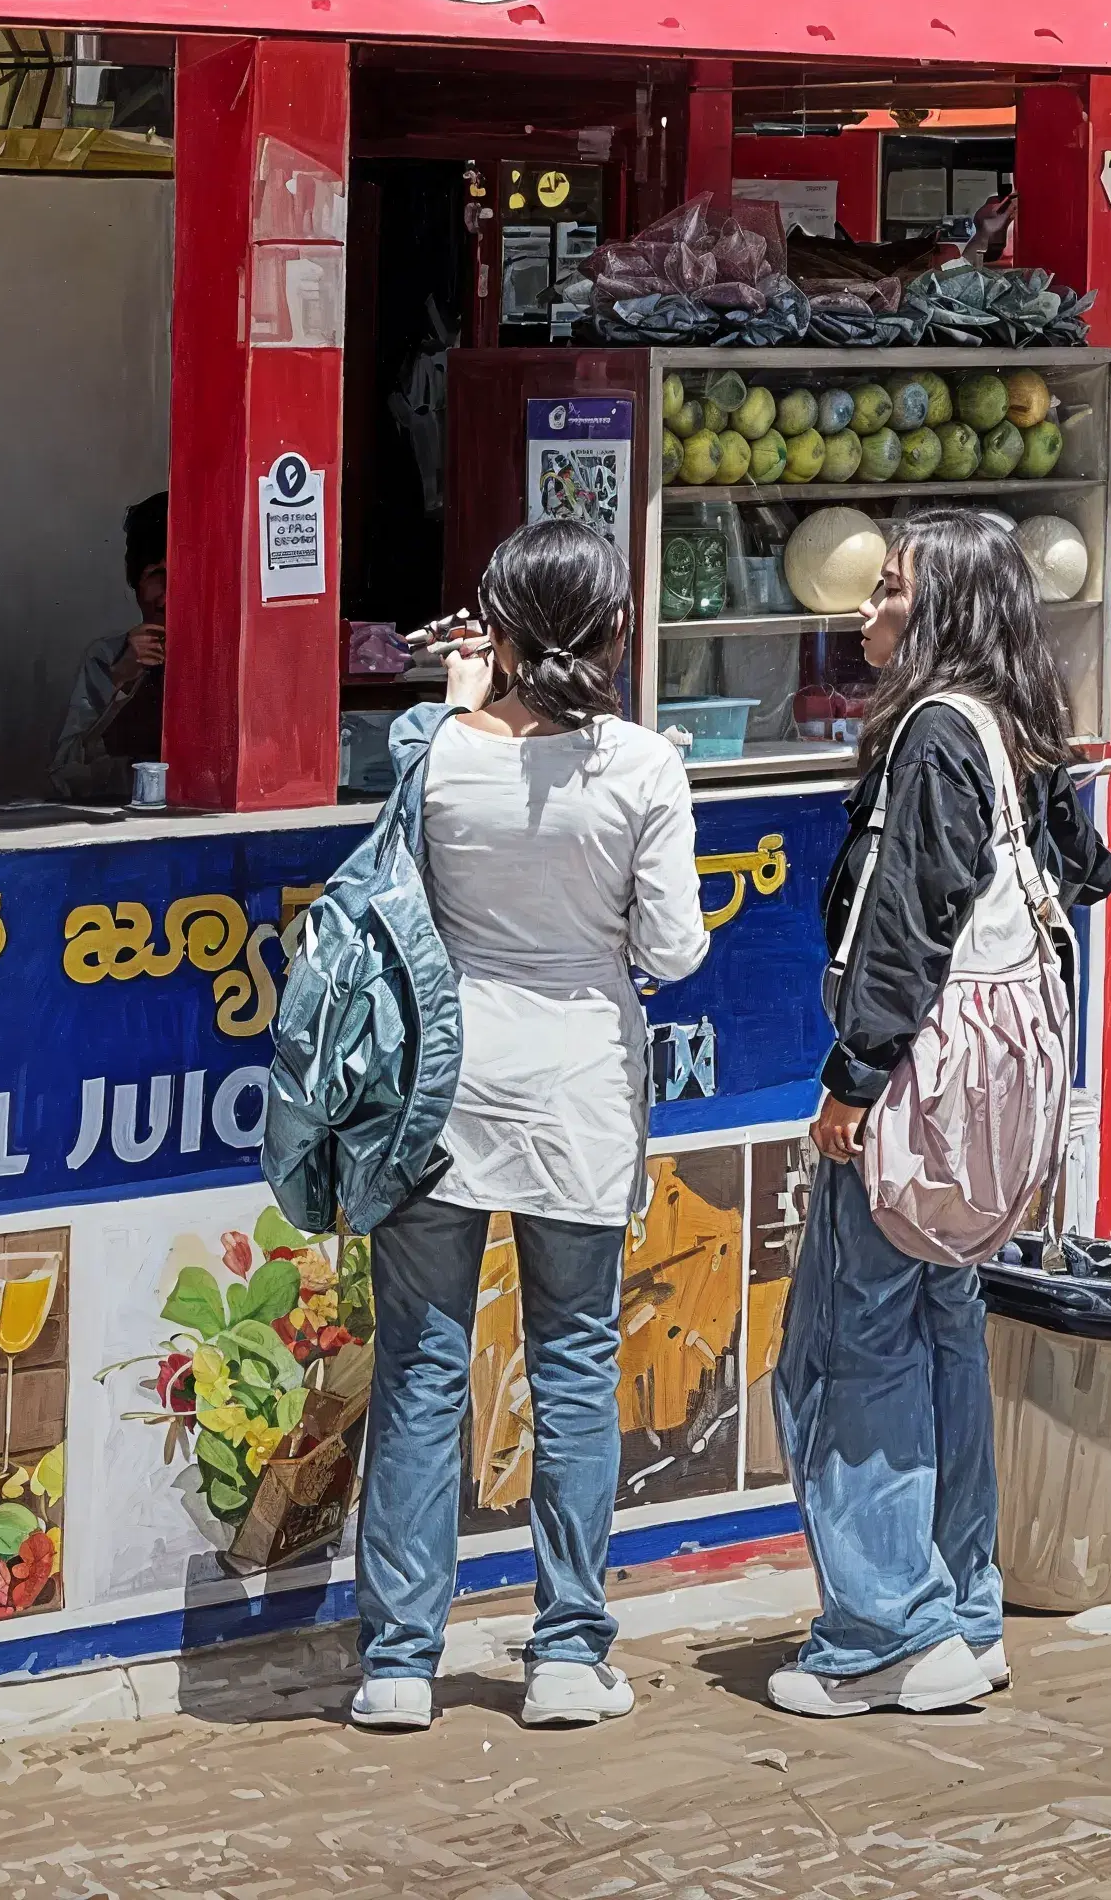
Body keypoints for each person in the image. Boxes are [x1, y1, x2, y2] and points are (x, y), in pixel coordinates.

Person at [344, 521, 707, 1732]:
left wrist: (456, 704)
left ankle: (399, 1664)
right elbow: (672, 950)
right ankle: (565, 1651)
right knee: (575, 1363)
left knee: (421, 1367)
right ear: (616, 630)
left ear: (493, 631)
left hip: (437, 1090)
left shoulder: (432, 753)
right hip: (578, 1092)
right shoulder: (642, 766)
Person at [770, 508, 1111, 1717]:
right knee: (944, 1326)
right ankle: (964, 1613)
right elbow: (1087, 872)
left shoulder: (931, 735)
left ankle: (884, 1634)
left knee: (848, 1349)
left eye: (890, 590)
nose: (867, 609)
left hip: (915, 1091)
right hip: (990, 1105)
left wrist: (853, 1080)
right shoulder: (1019, 729)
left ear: (942, 614)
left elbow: (904, 924)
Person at [50, 491, 175, 804]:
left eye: (183, 573)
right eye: (156, 576)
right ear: (136, 584)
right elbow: (64, 773)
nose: (167, 595)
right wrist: (121, 678)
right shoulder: (106, 657)